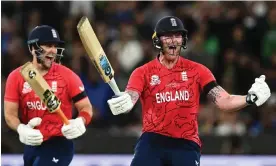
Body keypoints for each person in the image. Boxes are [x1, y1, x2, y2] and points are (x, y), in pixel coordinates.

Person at [107, 16, 271, 166]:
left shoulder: (198, 71)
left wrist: (250, 98)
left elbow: (224, 100)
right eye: (168, 36)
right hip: (152, 141)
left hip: (185, 143)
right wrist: (125, 102)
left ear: (183, 39)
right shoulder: (143, 72)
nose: (173, 41)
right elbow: (131, 96)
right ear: (157, 40)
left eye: (177, 36)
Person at [4, 25, 93, 166]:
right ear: (32, 48)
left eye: (55, 46)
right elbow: (10, 114)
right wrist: (21, 128)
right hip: (32, 143)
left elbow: (86, 107)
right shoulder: (16, 77)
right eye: (47, 45)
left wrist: (81, 120)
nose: (53, 50)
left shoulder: (67, 75)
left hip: (59, 142)